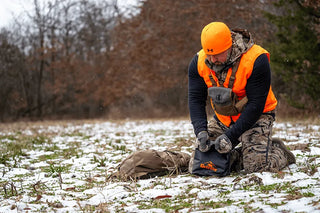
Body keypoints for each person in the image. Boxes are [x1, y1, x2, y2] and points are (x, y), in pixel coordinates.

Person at [188, 21, 295, 174]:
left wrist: (230, 138)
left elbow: (256, 104)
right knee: (200, 165)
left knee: (257, 168)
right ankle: (242, 155)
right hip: (224, 118)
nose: (212, 60)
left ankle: (279, 152)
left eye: (217, 54)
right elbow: (195, 99)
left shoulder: (256, 59)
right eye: (209, 54)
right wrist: (200, 131)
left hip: (257, 116)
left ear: (229, 46)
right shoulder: (198, 62)